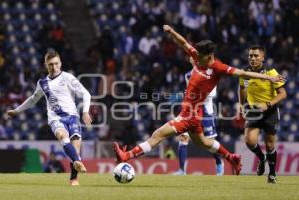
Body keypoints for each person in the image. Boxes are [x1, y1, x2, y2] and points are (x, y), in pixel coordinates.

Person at [113, 25, 285, 176]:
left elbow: (243, 74)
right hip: (193, 113)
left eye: (200, 56)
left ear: (209, 56)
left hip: (190, 114)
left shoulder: (218, 67)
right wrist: (172, 32)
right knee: (202, 141)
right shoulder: (197, 56)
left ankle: (126, 156)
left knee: (158, 135)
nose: (195, 57)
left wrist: (268, 79)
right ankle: (232, 158)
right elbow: (183, 43)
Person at [7, 49, 92, 186]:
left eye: (56, 63)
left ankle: (73, 178)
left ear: (60, 63)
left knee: (75, 150)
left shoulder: (68, 78)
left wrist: (85, 112)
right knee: (62, 136)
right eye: (51, 64)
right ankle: (78, 162)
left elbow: (86, 94)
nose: (54, 67)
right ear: (46, 65)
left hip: (73, 117)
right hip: (55, 118)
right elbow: (33, 99)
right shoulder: (42, 83)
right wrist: (17, 111)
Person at [238, 45, 287, 183]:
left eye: (256, 56)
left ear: (263, 58)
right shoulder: (244, 72)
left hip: (270, 111)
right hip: (253, 110)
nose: (252, 58)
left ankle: (272, 174)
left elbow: (283, 94)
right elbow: (241, 88)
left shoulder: (271, 73)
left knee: (270, 145)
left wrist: (268, 104)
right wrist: (242, 105)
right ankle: (262, 158)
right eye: (250, 56)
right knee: (249, 141)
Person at [173, 70, 224, 175]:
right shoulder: (188, 75)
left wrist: (193, 92)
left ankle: (219, 162)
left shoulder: (211, 73)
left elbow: (211, 94)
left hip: (206, 112)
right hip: (191, 111)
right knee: (183, 137)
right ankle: (182, 170)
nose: (193, 59)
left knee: (209, 142)